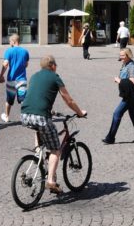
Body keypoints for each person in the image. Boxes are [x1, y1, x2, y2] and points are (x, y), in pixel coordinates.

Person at [21, 55, 87, 194]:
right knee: (56, 149)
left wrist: (50, 110)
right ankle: (51, 180)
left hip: (25, 115)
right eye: (55, 65)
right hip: (40, 117)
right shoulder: (54, 77)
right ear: (52, 66)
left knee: (40, 130)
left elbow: (37, 96)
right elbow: (68, 99)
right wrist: (80, 112)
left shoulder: (34, 76)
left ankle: (38, 153)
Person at [102, 47, 134, 144]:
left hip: (131, 96)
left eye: (123, 55)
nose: (120, 57)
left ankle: (110, 138)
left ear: (128, 55)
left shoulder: (131, 67)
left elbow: (132, 82)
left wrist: (119, 81)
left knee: (117, 114)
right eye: (120, 55)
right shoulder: (125, 64)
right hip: (130, 95)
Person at [0, 34, 30, 123]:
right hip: (22, 79)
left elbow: (5, 64)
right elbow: (26, 65)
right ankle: (25, 118)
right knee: (23, 100)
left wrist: (1, 75)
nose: (9, 43)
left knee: (9, 100)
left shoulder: (9, 51)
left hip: (11, 80)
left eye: (10, 41)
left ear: (13, 41)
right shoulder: (25, 51)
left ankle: (7, 116)